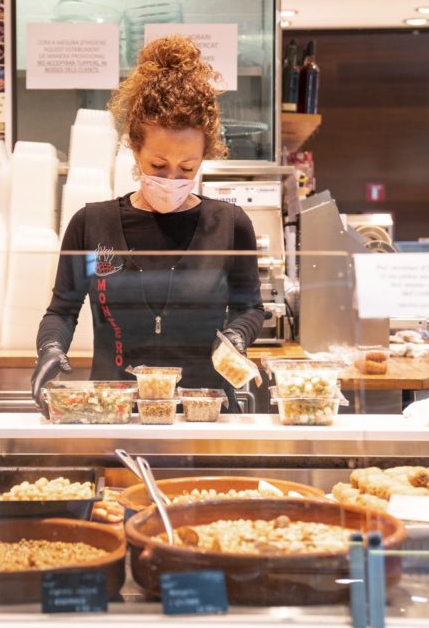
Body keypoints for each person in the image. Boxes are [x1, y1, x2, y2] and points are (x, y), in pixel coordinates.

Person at [30, 35, 264, 414]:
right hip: (116, 410)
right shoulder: (92, 225)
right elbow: (63, 310)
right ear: (134, 149)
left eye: (187, 167)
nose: (171, 178)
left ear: (205, 156)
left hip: (203, 413)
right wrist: (50, 348)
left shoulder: (228, 225)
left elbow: (250, 307)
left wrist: (238, 334)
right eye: (158, 165)